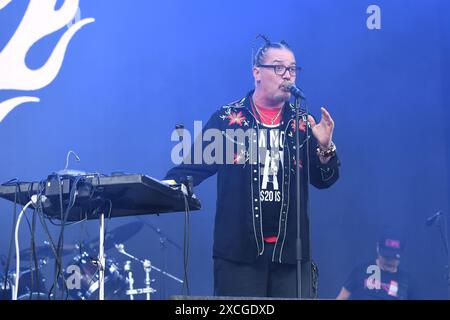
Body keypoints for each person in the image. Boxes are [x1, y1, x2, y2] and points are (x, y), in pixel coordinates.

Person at [165, 36, 340, 298]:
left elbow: (324, 179)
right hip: (239, 257)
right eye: (279, 68)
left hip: (291, 257)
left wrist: (325, 148)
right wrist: (165, 191)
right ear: (257, 72)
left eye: (292, 69)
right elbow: (188, 171)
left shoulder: (303, 123)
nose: (288, 76)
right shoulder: (229, 120)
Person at [336, 233, 415, 300]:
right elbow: (342, 297)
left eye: (394, 257)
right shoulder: (361, 270)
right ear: (378, 248)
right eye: (386, 256)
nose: (389, 261)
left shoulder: (407, 280)